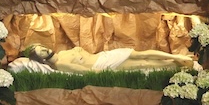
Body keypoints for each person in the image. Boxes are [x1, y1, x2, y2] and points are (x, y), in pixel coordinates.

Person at [24, 44, 195, 73]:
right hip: (103, 65)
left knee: (140, 54)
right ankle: (176, 66)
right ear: (41, 59)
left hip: (105, 55)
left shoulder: (63, 52)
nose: (45, 49)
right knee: (142, 63)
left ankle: (176, 57)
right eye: (41, 52)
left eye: (42, 47)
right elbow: (89, 71)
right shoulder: (61, 64)